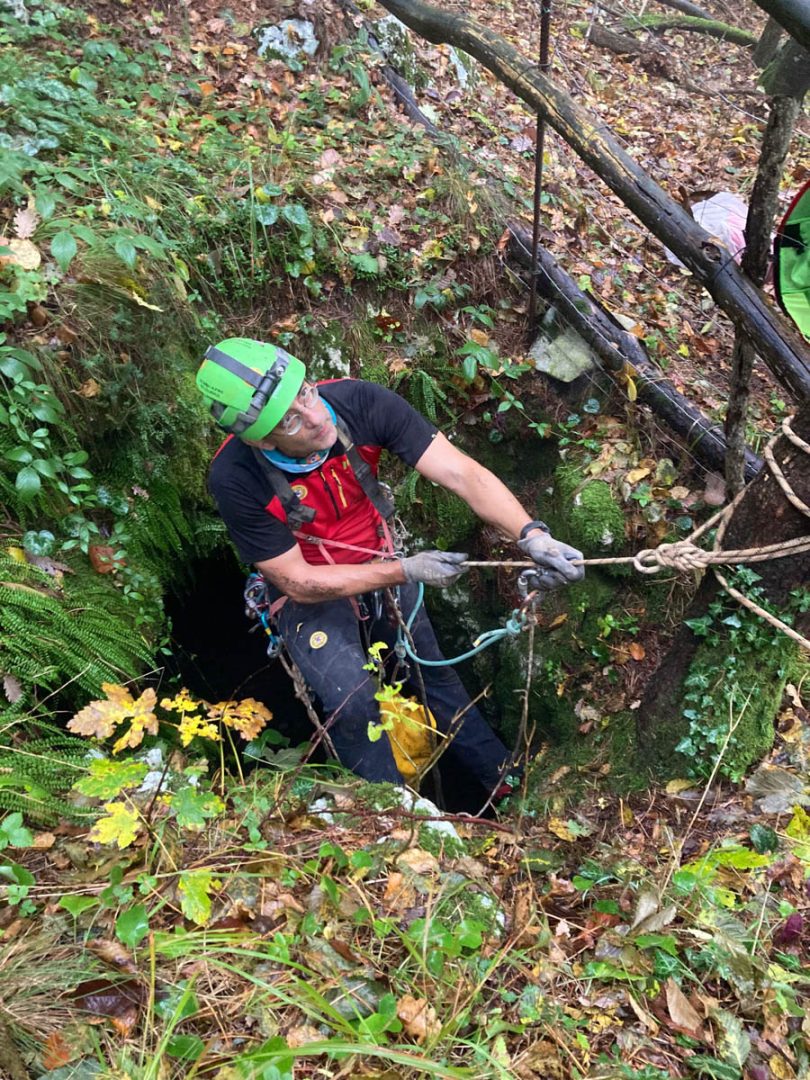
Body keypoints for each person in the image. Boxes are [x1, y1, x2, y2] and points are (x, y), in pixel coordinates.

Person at [196, 337, 584, 796]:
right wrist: (405, 571)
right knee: (351, 702)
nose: (317, 418)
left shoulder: (360, 402)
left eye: (305, 392)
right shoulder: (236, 476)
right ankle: (391, 815)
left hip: (381, 559)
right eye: (291, 420)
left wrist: (531, 535)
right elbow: (295, 580)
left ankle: (504, 782)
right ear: (260, 439)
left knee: (434, 674)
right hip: (314, 594)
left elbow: (461, 473)